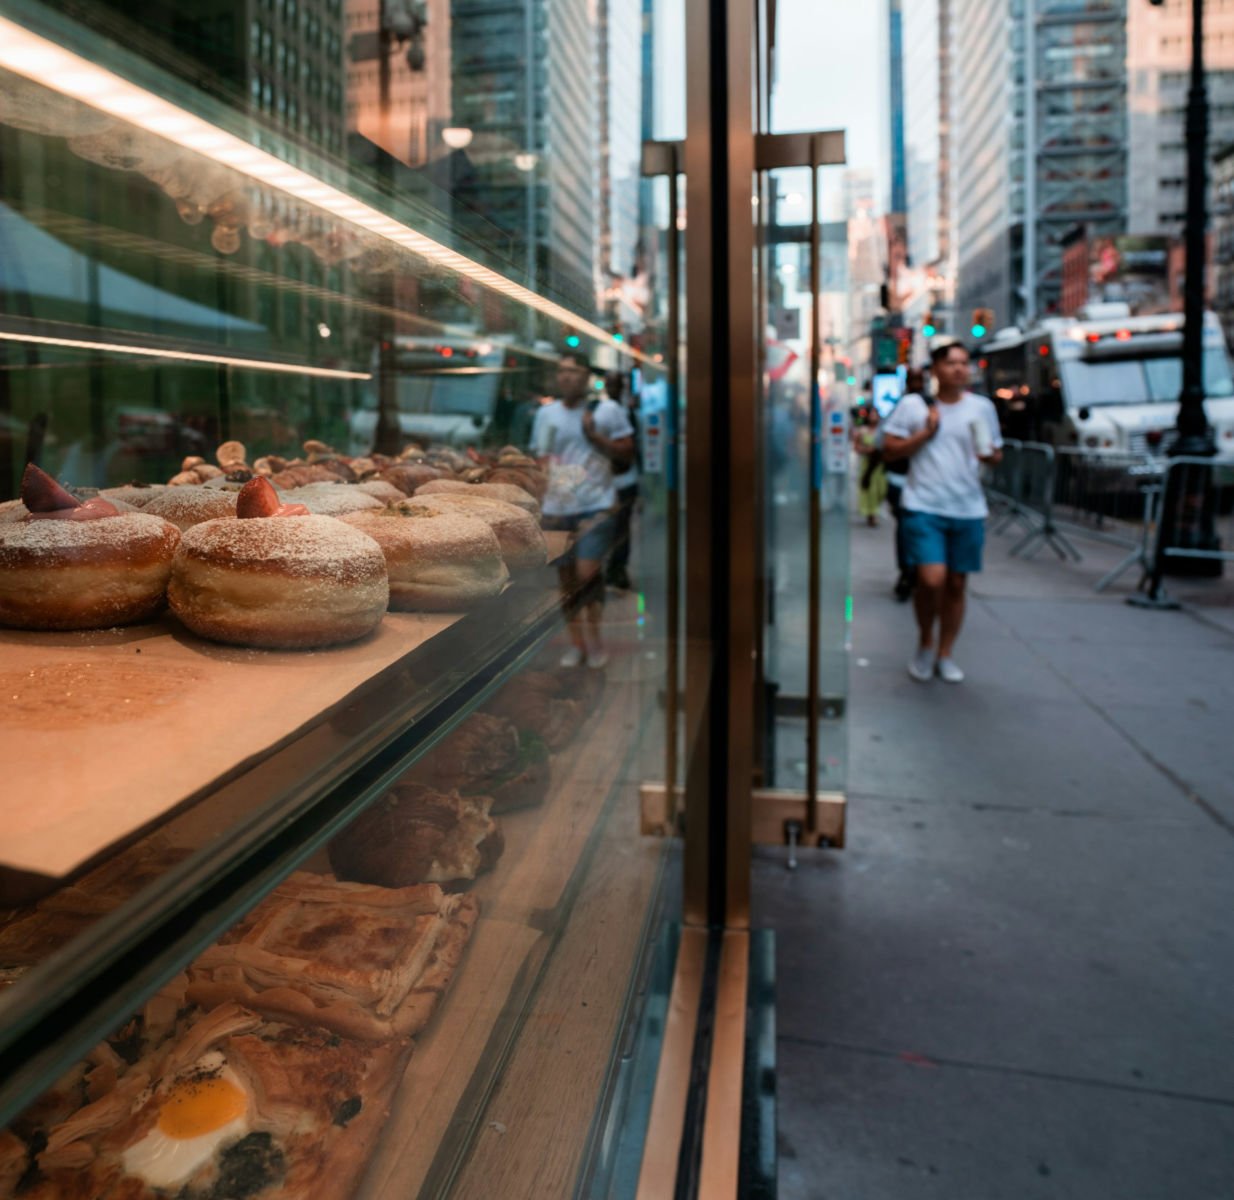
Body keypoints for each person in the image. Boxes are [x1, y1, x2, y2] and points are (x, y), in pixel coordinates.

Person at [881, 341, 1002, 684]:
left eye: (965, 363)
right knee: (930, 579)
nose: (960, 369)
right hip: (924, 505)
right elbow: (888, 450)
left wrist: (989, 456)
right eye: (951, 363)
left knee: (956, 583)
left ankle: (945, 652)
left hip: (967, 507)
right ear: (935, 369)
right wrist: (926, 432)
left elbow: (995, 453)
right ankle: (924, 642)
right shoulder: (913, 406)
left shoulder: (982, 408)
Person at [532, 351, 635, 668]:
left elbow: (628, 452)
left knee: (587, 575)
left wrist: (593, 435)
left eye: (573, 371)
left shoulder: (608, 410)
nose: (566, 377)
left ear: (587, 376)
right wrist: (548, 477)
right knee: (566, 583)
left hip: (596, 507)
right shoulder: (546, 414)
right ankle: (577, 644)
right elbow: (543, 457)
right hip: (558, 510)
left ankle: (596, 641)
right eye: (562, 371)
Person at [886, 367, 925, 601]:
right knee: (905, 526)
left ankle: (914, 569)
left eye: (921, 379)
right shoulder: (904, 406)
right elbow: (888, 446)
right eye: (914, 379)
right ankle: (907, 570)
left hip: (923, 482)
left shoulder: (930, 406)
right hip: (902, 479)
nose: (918, 383)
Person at [603, 370, 639, 590]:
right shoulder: (602, 410)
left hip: (625, 480)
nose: (612, 388)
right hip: (606, 482)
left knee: (622, 528)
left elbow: (630, 450)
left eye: (616, 384)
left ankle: (618, 569)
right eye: (609, 384)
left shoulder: (627, 412)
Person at [852, 406, 887, 526]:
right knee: (870, 489)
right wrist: (867, 450)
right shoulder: (862, 431)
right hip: (867, 464)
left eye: (875, 414)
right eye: (871, 414)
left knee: (880, 489)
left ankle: (875, 510)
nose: (873, 417)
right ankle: (872, 514)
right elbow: (856, 447)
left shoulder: (883, 431)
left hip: (879, 464)